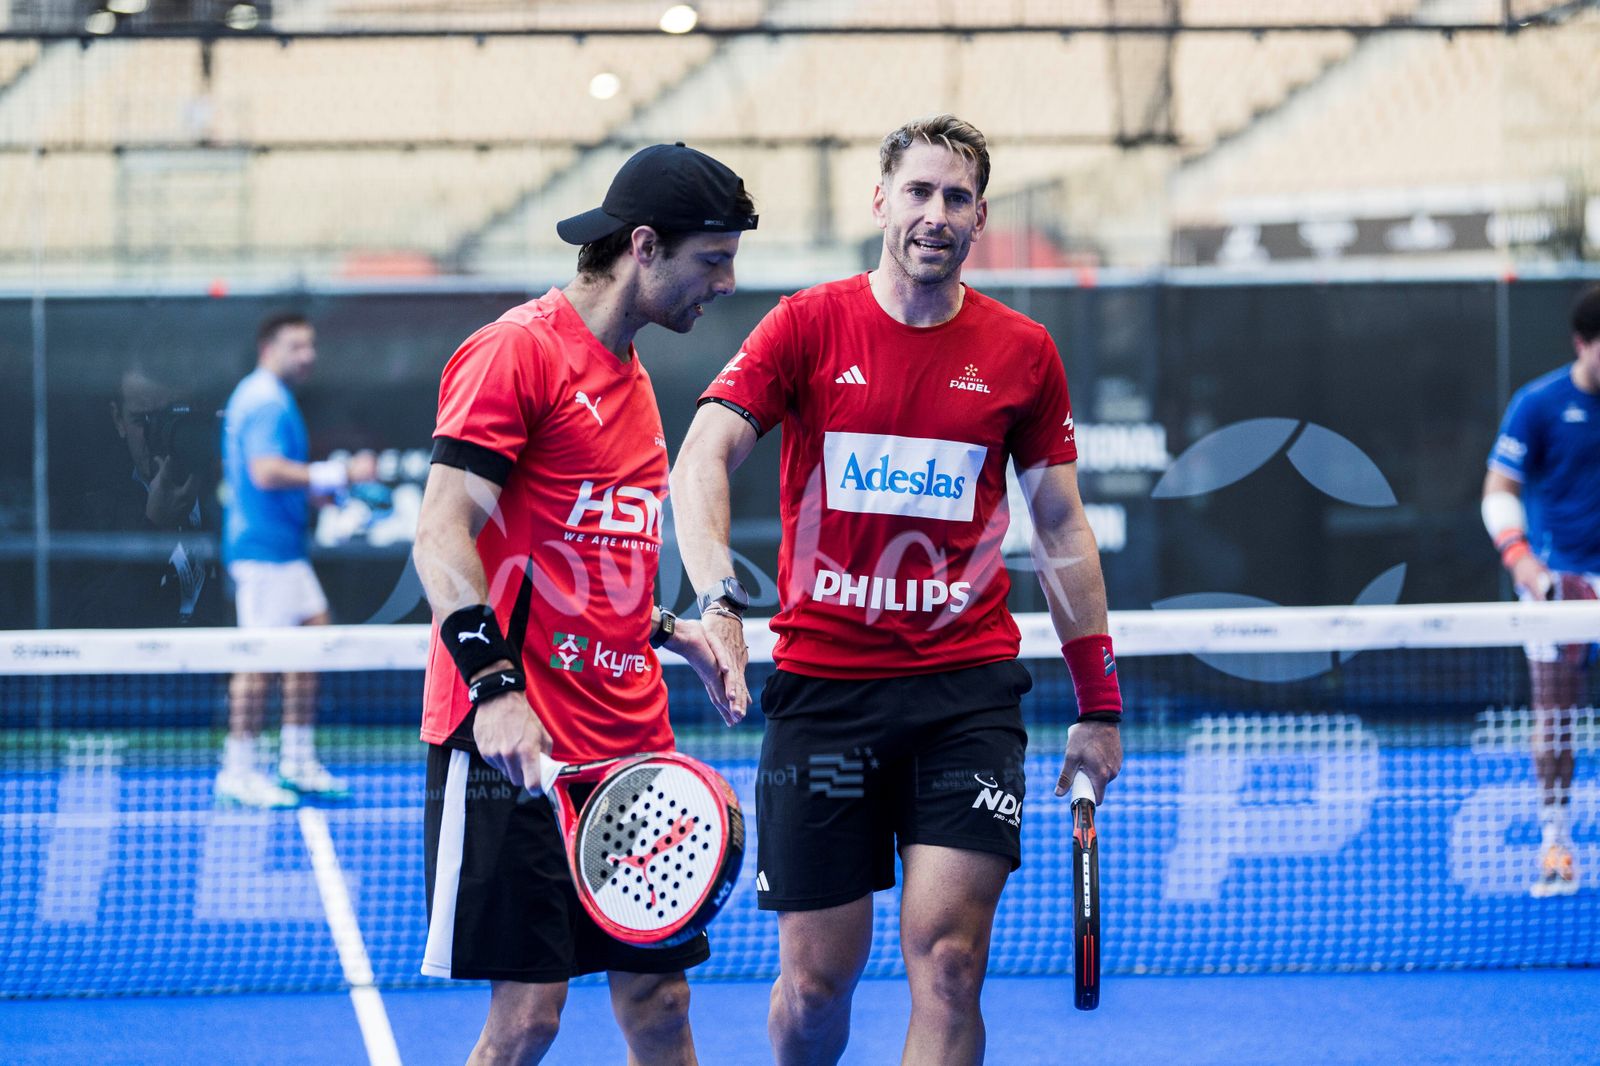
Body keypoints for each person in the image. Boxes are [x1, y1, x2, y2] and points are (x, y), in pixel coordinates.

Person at [669, 115, 1123, 1066]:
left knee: (952, 964)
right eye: (918, 192)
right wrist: (719, 602)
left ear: (980, 217)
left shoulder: (1023, 353)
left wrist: (1101, 705)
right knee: (816, 984)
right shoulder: (806, 325)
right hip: (825, 701)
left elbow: (1062, 528)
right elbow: (704, 451)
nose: (935, 214)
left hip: (966, 699)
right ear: (881, 201)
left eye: (957, 197)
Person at [411, 143, 755, 1065]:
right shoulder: (517, 353)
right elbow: (442, 536)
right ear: (643, 246)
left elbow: (583, 569)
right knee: (528, 1019)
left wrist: (676, 633)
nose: (726, 282)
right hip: (516, 746)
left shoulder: (637, 382)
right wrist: (494, 690)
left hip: (630, 744)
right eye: (711, 260)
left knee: (660, 1001)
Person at [217, 313, 376, 809]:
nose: (307, 355)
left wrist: (325, 496)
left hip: (283, 549)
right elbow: (264, 472)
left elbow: (273, 479)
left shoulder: (268, 397)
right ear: (269, 348)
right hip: (264, 554)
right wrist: (337, 473)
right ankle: (238, 771)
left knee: (314, 634)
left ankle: (297, 760)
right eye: (295, 346)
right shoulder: (264, 400)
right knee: (259, 663)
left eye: (311, 346)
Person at [1483, 282, 1600, 899]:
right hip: (1558, 587)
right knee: (1554, 717)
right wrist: (1521, 559)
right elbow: (1499, 488)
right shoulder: (1539, 404)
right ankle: (1555, 841)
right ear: (1583, 343)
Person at [60, 358, 229, 628]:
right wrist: (155, 529)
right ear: (118, 420)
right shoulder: (96, 515)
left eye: (170, 419)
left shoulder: (228, 496)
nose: (157, 436)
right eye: (143, 420)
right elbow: (86, 628)